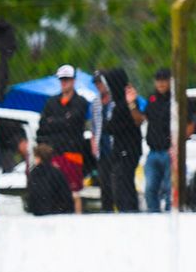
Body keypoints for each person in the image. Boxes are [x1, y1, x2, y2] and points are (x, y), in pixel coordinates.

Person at [38, 65, 90, 214]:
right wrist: (63, 121)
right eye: (62, 80)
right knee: (54, 192)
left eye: (67, 79)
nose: (64, 82)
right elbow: (42, 125)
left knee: (74, 192)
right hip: (54, 154)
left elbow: (74, 121)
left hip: (72, 153)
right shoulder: (51, 102)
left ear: (73, 80)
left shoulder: (81, 101)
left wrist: (53, 122)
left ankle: (77, 220)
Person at [95, 68, 144, 213]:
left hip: (128, 150)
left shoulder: (127, 103)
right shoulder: (117, 103)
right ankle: (127, 211)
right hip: (120, 150)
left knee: (123, 186)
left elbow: (115, 126)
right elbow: (111, 126)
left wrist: (131, 103)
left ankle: (129, 213)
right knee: (119, 185)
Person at [143, 68, 173, 213]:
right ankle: (153, 215)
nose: (161, 84)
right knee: (150, 188)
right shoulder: (152, 99)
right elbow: (146, 118)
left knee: (169, 189)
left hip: (169, 151)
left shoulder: (176, 100)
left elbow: (190, 123)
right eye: (158, 80)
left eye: (164, 80)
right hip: (153, 151)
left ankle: (169, 215)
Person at [27, 144, 73, 215]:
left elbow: (31, 194)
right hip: (57, 211)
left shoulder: (34, 173)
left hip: (38, 211)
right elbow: (65, 194)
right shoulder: (57, 172)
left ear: (39, 158)